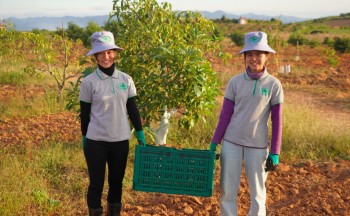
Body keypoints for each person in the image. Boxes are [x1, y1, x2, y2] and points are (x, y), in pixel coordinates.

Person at [210, 31, 284, 216]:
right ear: (244, 57)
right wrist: (215, 142)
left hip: (257, 147)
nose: (253, 59)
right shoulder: (235, 82)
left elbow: (277, 121)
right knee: (227, 191)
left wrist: (275, 152)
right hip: (231, 144)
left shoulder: (274, 85)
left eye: (258, 54)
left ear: (267, 56)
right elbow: (225, 116)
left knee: (258, 194)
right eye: (249, 54)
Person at [79, 31, 146, 216]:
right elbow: (84, 114)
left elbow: (132, 109)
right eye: (100, 53)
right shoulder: (89, 82)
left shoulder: (126, 79)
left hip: (120, 141)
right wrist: (85, 137)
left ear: (115, 53)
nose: (105, 57)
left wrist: (140, 133)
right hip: (96, 142)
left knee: (116, 183)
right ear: (95, 56)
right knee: (96, 184)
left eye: (109, 52)